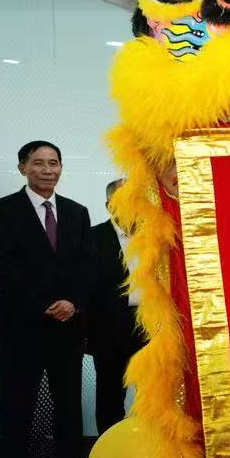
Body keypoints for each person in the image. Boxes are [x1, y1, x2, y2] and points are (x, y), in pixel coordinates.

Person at [0, 140, 94, 458]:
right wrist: (46, 305)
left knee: (68, 407)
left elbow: (87, 266)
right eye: (38, 163)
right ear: (22, 168)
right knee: (18, 407)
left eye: (53, 163)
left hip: (68, 327)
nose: (47, 170)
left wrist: (73, 303)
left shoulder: (77, 212)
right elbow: (2, 269)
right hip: (20, 328)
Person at [88, 179, 144, 433]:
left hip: (151, 325)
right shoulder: (92, 238)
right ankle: (109, 449)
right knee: (110, 395)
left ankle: (153, 448)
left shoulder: (157, 235)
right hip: (109, 328)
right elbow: (85, 289)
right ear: (109, 206)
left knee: (155, 395)